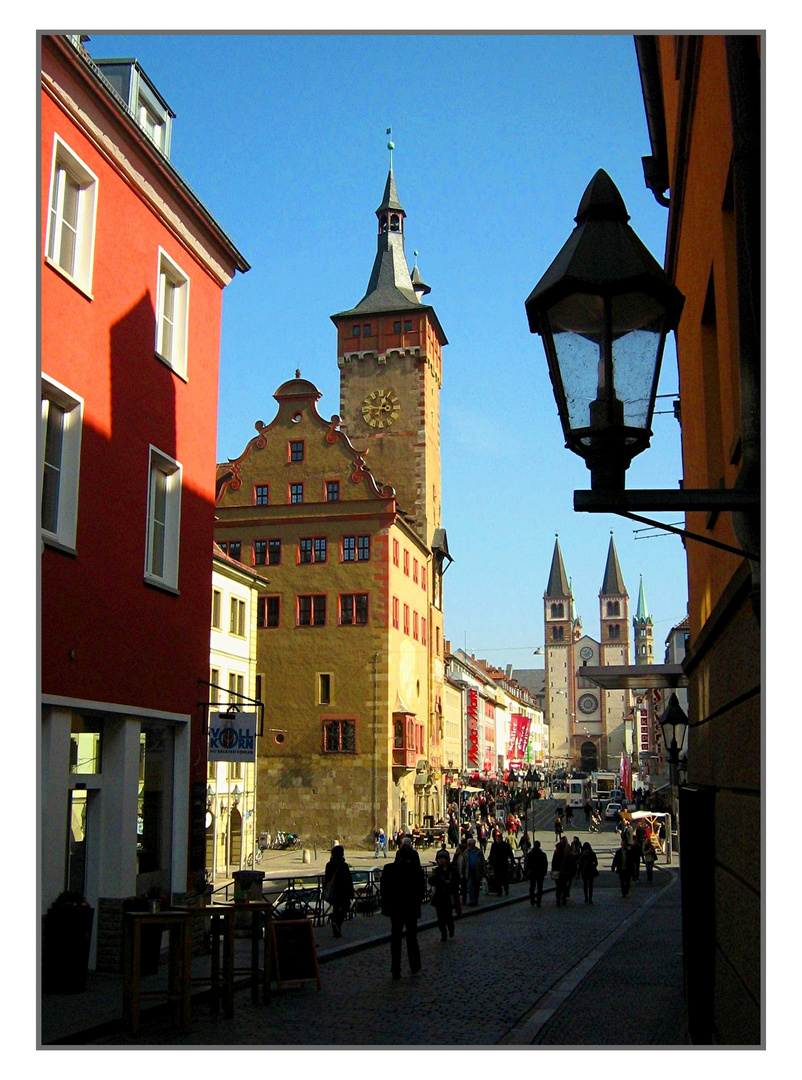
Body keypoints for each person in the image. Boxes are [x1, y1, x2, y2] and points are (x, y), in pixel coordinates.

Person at [380, 837, 426, 980]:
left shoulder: (389, 869)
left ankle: (395, 969)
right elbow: (422, 890)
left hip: (396, 909)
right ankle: (415, 965)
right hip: (411, 908)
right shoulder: (416, 871)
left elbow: (384, 890)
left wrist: (387, 906)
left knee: (396, 939)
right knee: (412, 938)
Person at [322, 844, 355, 937]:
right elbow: (348, 880)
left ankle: (336, 926)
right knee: (345, 908)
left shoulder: (329, 865)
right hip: (343, 891)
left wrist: (324, 889)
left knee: (336, 908)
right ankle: (337, 923)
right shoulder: (343, 865)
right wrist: (351, 892)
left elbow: (327, 879)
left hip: (333, 892)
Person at [428, 849, 457, 941]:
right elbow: (431, 882)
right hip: (439, 896)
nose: (441, 860)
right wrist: (432, 877)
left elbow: (456, 882)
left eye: (443, 858)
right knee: (440, 918)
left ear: (447, 859)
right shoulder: (437, 870)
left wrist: (450, 883)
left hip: (448, 895)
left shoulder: (452, 869)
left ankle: (451, 928)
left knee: (448, 916)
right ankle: (443, 933)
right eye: (439, 858)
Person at [487, 828, 515, 896]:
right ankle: (499, 892)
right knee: (497, 879)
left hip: (504, 864)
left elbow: (510, 854)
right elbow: (491, 854)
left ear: (501, 839)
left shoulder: (505, 845)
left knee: (504, 878)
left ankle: (506, 890)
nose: (498, 840)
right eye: (497, 839)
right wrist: (490, 862)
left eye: (499, 839)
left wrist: (512, 861)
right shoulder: (494, 845)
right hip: (496, 864)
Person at [526, 839, 548, 907]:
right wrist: (544, 872)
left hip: (532, 873)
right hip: (540, 873)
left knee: (532, 887)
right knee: (540, 888)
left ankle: (532, 900)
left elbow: (528, 864)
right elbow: (545, 864)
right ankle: (538, 901)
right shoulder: (543, 854)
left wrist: (526, 872)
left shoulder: (530, 854)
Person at [465, 836, 486, 906]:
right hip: (469, 871)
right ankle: (472, 900)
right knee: (470, 886)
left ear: (473, 844)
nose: (468, 846)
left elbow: (483, 862)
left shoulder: (479, 852)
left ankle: (475, 900)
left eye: (469, 844)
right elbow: (464, 862)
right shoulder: (466, 852)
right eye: (467, 844)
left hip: (477, 871)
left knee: (476, 887)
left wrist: (483, 872)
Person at [551, 837, 571, 907]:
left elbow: (553, 863)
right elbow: (570, 863)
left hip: (557, 872)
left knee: (558, 887)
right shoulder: (567, 854)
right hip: (565, 872)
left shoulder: (556, 854)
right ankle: (564, 899)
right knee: (564, 886)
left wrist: (553, 870)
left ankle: (558, 900)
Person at [451, 840, 467, 914]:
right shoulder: (456, 856)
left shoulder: (465, 856)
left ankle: (463, 900)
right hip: (457, 874)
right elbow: (453, 864)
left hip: (463, 874)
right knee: (456, 890)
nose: (457, 850)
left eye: (459, 848)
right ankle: (458, 904)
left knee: (464, 887)